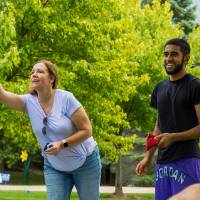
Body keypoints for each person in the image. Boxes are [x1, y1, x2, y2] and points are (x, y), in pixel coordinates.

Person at [0, 60, 101, 200]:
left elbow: (87, 130)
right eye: (32, 72)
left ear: (51, 78)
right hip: (55, 166)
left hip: (85, 162)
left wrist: (62, 144)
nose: (34, 74)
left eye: (40, 71)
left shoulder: (66, 98)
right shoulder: (29, 102)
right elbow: (3, 96)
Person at [135, 38, 200, 200]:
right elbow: (159, 125)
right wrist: (147, 157)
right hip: (162, 163)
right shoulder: (160, 88)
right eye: (166, 54)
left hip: (187, 160)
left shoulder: (195, 86)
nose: (168, 59)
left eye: (174, 54)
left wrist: (173, 137)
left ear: (186, 58)